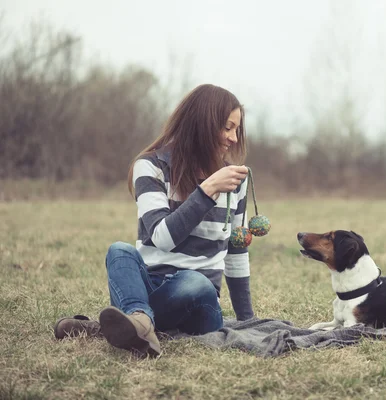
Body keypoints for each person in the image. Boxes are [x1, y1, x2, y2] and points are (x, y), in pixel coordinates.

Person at [54, 84, 255, 357]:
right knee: (119, 251)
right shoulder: (150, 167)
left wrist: (247, 321)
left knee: (195, 282)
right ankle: (141, 321)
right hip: (150, 288)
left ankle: (121, 327)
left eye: (236, 129)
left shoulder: (234, 182)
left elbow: (236, 251)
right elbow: (162, 237)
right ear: (202, 124)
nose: (233, 138)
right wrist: (207, 191)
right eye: (227, 127)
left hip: (200, 303)